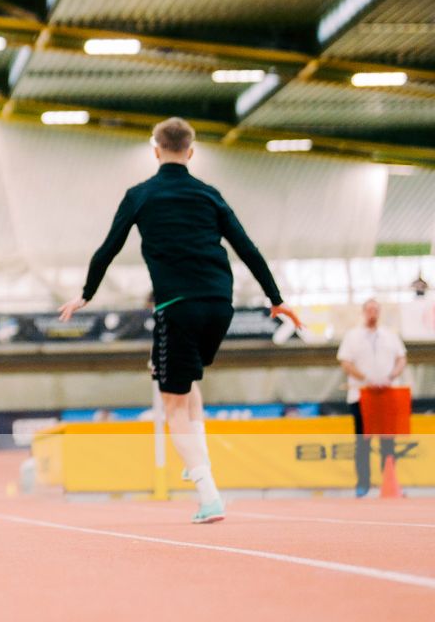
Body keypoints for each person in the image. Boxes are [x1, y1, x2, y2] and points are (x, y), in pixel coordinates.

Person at [59, 117, 301, 523]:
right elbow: (248, 248)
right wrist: (275, 299)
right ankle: (197, 458)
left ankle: (208, 494)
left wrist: (86, 294)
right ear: (190, 152)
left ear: (156, 150)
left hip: (178, 305)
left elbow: (108, 249)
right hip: (220, 306)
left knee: (171, 404)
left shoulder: (140, 195)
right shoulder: (209, 195)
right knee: (186, 384)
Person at [336, 298, 407, 497]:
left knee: (388, 441)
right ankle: (363, 484)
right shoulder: (352, 336)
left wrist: (390, 377)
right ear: (363, 312)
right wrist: (366, 379)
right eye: (369, 310)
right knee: (363, 442)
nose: (372, 313)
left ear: (380, 312)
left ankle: (389, 482)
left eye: (376, 309)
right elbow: (346, 363)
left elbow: (402, 359)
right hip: (361, 395)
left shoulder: (390, 335)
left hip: (387, 393)